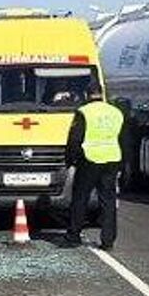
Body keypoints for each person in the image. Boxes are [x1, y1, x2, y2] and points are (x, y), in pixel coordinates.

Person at [63, 86, 125, 250]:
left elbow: (74, 139)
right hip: (112, 158)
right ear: (102, 93)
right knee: (108, 201)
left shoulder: (84, 112)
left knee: (80, 198)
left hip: (89, 159)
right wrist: (123, 163)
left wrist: (70, 160)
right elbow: (124, 139)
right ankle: (108, 241)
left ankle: (74, 235)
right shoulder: (115, 112)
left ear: (86, 94)